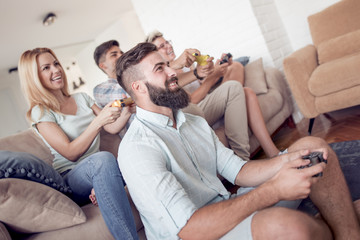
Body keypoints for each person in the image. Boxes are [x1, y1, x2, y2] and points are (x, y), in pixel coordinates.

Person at [115, 42, 360, 240]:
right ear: (139, 88)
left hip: (227, 207)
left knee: (312, 149)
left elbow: (237, 170)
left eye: (168, 65)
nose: (173, 72)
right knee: (286, 227)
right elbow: (190, 230)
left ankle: (349, 234)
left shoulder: (192, 121)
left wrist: (288, 160)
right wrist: (273, 190)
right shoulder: (137, 149)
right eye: (160, 69)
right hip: (199, 233)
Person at [18, 47, 139, 240]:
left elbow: (111, 128)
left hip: (101, 168)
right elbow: (70, 152)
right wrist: (98, 121)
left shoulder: (81, 98)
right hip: (71, 178)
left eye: (56, 64)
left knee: (131, 159)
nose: (56, 70)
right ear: (34, 77)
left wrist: (126, 111)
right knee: (104, 160)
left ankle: (101, 185)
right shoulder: (40, 112)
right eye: (46, 68)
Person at [146, 31, 280, 158]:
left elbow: (203, 83)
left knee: (246, 89)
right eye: (162, 46)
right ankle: (243, 160)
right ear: (155, 56)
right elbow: (190, 101)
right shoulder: (166, 77)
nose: (168, 46)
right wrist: (211, 78)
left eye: (167, 42)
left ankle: (273, 153)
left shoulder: (187, 66)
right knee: (235, 89)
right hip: (195, 110)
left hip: (206, 102)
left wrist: (217, 70)